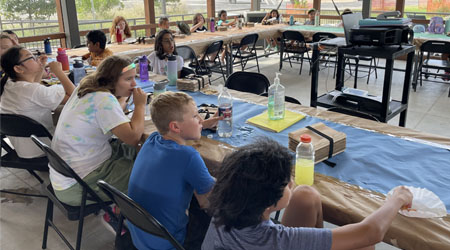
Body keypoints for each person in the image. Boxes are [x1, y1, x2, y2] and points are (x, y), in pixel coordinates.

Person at [202, 138, 413, 250]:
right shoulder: (276, 240)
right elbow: (371, 232)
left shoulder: (226, 205)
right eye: (286, 182)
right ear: (268, 204)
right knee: (363, 244)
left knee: (305, 195)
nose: (291, 182)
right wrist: (396, 199)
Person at [51, 56, 146, 209]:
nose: (134, 84)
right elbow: (133, 138)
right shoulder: (104, 100)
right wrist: (140, 105)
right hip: (79, 187)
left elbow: (110, 109)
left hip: (66, 177)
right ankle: (124, 212)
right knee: (150, 169)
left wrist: (122, 99)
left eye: (134, 77)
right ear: (111, 80)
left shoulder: (87, 86)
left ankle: (127, 206)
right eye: (128, 79)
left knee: (141, 153)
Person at [128, 91, 220, 250]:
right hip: (169, 242)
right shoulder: (188, 156)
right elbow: (208, 202)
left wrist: (202, 125)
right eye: (195, 116)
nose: (200, 120)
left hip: (139, 233)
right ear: (175, 126)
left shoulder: (152, 139)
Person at [0, 46, 75, 158]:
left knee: (60, 111)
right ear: (18, 68)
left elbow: (32, 86)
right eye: (31, 58)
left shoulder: (8, 84)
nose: (36, 59)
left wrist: (41, 68)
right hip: (45, 148)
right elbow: (76, 97)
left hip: (25, 150)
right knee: (76, 114)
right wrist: (59, 72)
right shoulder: (34, 91)